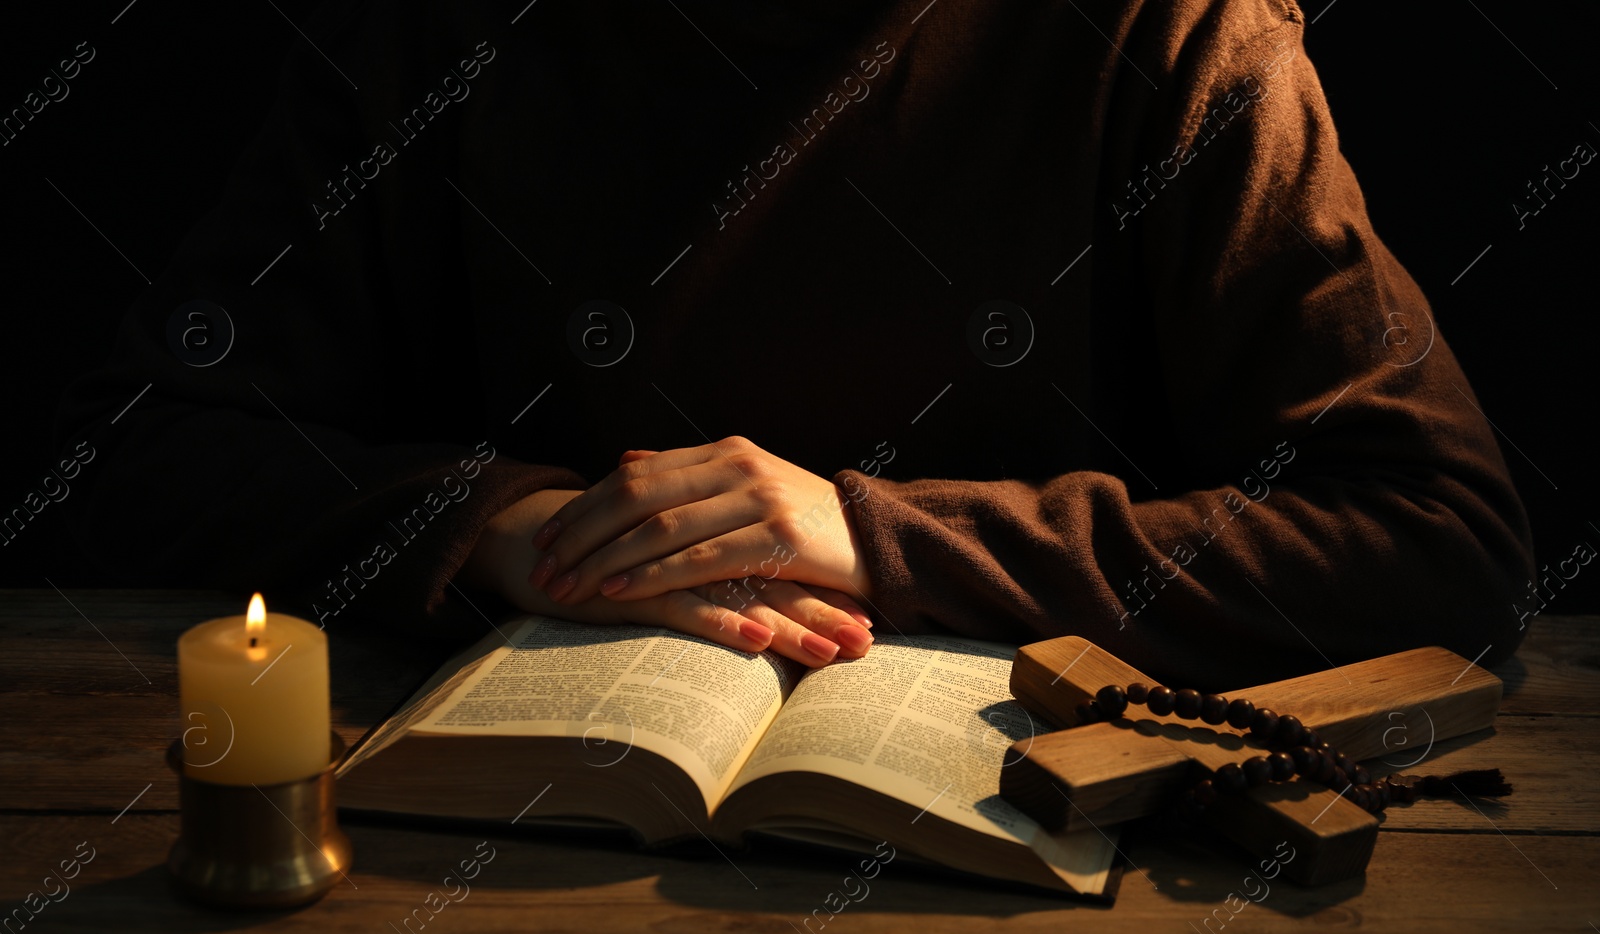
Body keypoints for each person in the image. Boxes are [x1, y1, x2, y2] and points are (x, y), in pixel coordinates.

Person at [56, 0, 1534, 689]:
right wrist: (497, 527)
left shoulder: (1179, 37)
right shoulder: (435, 35)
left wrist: (870, 534)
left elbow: (1442, 537)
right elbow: (142, 447)